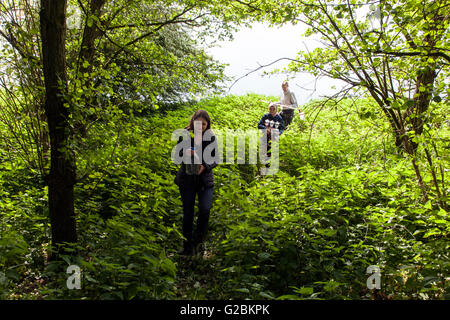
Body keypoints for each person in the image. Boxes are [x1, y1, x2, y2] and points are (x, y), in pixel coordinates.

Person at [174, 110, 218, 256]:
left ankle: (199, 244)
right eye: (198, 123)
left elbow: (215, 159)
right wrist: (185, 153)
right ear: (193, 122)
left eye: (203, 124)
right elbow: (177, 156)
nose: (200, 127)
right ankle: (187, 247)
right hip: (186, 180)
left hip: (204, 181)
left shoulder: (210, 138)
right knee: (188, 213)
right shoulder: (185, 135)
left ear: (207, 124)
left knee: (205, 210)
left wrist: (204, 165)